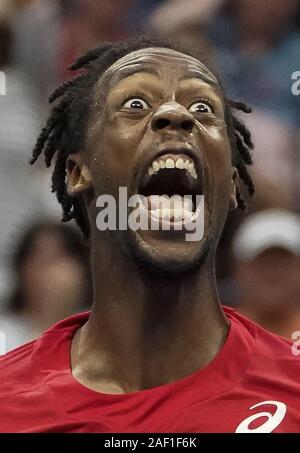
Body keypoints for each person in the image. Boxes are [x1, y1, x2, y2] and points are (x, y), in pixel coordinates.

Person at [0, 36, 299, 433]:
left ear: (229, 183)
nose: (176, 114)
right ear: (77, 172)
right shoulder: (9, 405)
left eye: (202, 107)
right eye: (135, 104)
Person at [0, 221, 92, 351]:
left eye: (58, 258)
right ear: (21, 270)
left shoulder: (99, 335)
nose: (48, 271)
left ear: (83, 270)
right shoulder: (4, 336)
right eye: (39, 259)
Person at [232, 209, 300, 339]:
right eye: (262, 263)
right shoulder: (217, 339)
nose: (272, 273)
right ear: (239, 270)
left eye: (283, 263)